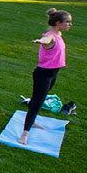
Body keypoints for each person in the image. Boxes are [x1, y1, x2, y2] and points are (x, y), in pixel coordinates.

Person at [18, 8, 73, 145]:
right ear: (59, 23)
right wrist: (40, 41)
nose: (70, 25)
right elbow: (47, 38)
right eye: (68, 22)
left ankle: (33, 121)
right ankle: (25, 134)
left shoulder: (58, 33)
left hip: (53, 74)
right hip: (43, 75)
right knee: (36, 104)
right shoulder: (51, 37)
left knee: (39, 100)